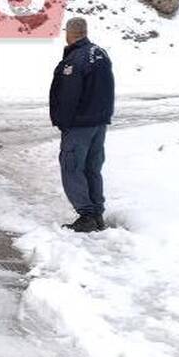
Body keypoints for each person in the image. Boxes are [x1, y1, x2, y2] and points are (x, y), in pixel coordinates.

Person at [49, 16, 115, 233]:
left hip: (79, 125)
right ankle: (97, 214)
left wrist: (62, 122)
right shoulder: (100, 53)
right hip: (98, 123)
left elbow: (69, 95)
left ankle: (86, 214)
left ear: (70, 33)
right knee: (92, 168)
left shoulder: (76, 60)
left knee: (72, 167)